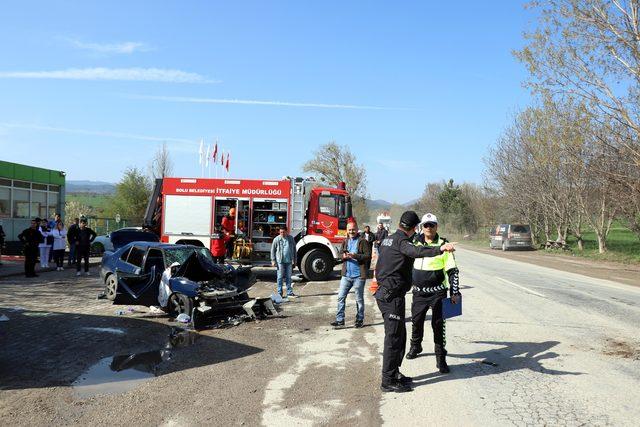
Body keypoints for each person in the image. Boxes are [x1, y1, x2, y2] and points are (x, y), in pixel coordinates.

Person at [374, 210, 455, 393]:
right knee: (393, 340)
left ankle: (394, 373)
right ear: (414, 227)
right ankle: (388, 381)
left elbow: (380, 265)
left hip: (390, 294)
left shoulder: (389, 239)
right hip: (391, 297)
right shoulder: (403, 242)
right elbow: (416, 251)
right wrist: (440, 248)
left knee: (400, 337)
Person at [406, 213, 461, 374]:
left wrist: (455, 292)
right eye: (426, 225)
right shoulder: (414, 243)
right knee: (416, 322)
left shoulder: (445, 245)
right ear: (421, 227)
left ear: (437, 226)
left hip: (438, 293)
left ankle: (440, 358)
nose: (429, 228)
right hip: (418, 293)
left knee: (438, 325)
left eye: (432, 225)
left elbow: (453, 271)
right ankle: (416, 346)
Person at [331, 222, 371, 328]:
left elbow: (368, 256)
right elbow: (340, 254)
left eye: (353, 229)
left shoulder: (363, 241)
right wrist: (343, 256)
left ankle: (359, 320)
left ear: (357, 229)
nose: (351, 232)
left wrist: (355, 256)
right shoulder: (345, 241)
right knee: (340, 297)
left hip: (359, 276)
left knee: (359, 299)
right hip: (346, 275)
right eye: (349, 230)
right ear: (347, 231)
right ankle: (340, 320)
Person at [270, 226, 297, 298]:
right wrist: (273, 260)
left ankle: (289, 292)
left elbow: (294, 250)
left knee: (289, 277)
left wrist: (295, 260)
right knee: (280, 277)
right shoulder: (276, 239)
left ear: (286, 231)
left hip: (289, 261)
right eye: (280, 232)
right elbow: (273, 250)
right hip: (280, 261)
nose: (282, 233)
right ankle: (279, 293)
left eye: (283, 232)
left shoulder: (291, 238)